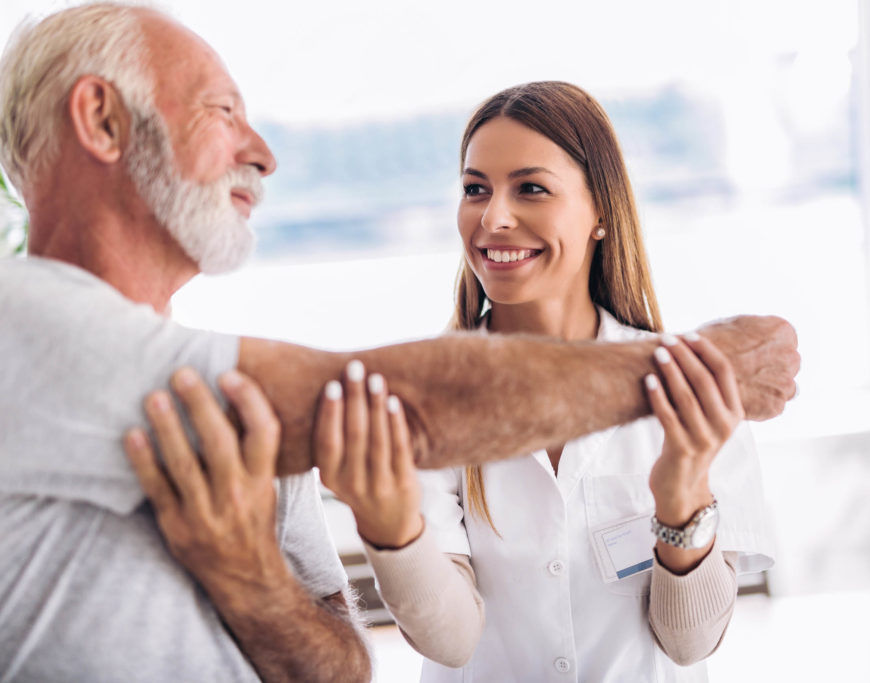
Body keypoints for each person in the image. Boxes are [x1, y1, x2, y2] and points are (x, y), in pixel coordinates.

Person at [0, 3, 799, 680]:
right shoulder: (24, 322)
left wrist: (247, 579)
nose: (264, 152)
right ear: (102, 118)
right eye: (221, 110)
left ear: (601, 212)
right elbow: (409, 404)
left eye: (531, 188)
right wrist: (697, 370)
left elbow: (344, 668)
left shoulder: (245, 400)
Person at [316, 82, 774, 682]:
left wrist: (681, 490)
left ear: (601, 214)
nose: (493, 218)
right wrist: (388, 526)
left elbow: (689, 644)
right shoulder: (425, 396)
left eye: (530, 188)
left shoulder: (695, 390)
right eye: (475, 189)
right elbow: (449, 640)